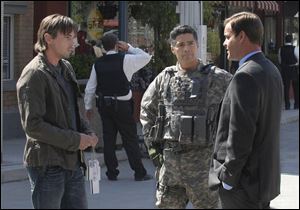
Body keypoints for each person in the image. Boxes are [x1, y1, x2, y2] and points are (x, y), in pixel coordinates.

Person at [140, 25, 232, 209]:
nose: (186, 49)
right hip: (171, 169)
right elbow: (146, 112)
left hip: (204, 168)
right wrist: (154, 151)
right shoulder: (164, 78)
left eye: (190, 43)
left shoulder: (219, 78)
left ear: (198, 45)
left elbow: (238, 115)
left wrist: (226, 156)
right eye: (180, 44)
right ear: (173, 48)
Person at [16, 14, 98, 209]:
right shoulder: (35, 74)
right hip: (47, 164)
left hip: (72, 162)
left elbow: (73, 107)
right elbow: (33, 126)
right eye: (67, 37)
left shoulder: (65, 67)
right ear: (48, 38)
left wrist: (87, 132)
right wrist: (76, 140)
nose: (74, 43)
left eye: (74, 37)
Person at [208, 12, 283, 209]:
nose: (224, 43)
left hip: (243, 185)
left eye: (227, 36)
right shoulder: (270, 69)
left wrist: (228, 178)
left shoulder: (246, 76)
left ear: (241, 37)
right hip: (261, 182)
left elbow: (240, 135)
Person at [84, 33, 152, 181]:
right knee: (130, 138)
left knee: (108, 138)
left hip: (104, 104)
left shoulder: (98, 63)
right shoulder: (126, 59)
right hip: (122, 104)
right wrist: (129, 47)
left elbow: (90, 88)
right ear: (117, 45)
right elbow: (146, 57)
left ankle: (112, 172)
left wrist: (88, 107)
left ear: (103, 47)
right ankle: (139, 172)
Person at [278, 34, 299, 110]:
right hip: (293, 68)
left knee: (286, 88)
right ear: (292, 40)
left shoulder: (281, 49)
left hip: (285, 70)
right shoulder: (295, 48)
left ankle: (287, 105)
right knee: (296, 87)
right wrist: (296, 64)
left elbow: (280, 60)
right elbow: (298, 59)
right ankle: (296, 104)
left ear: (285, 40)